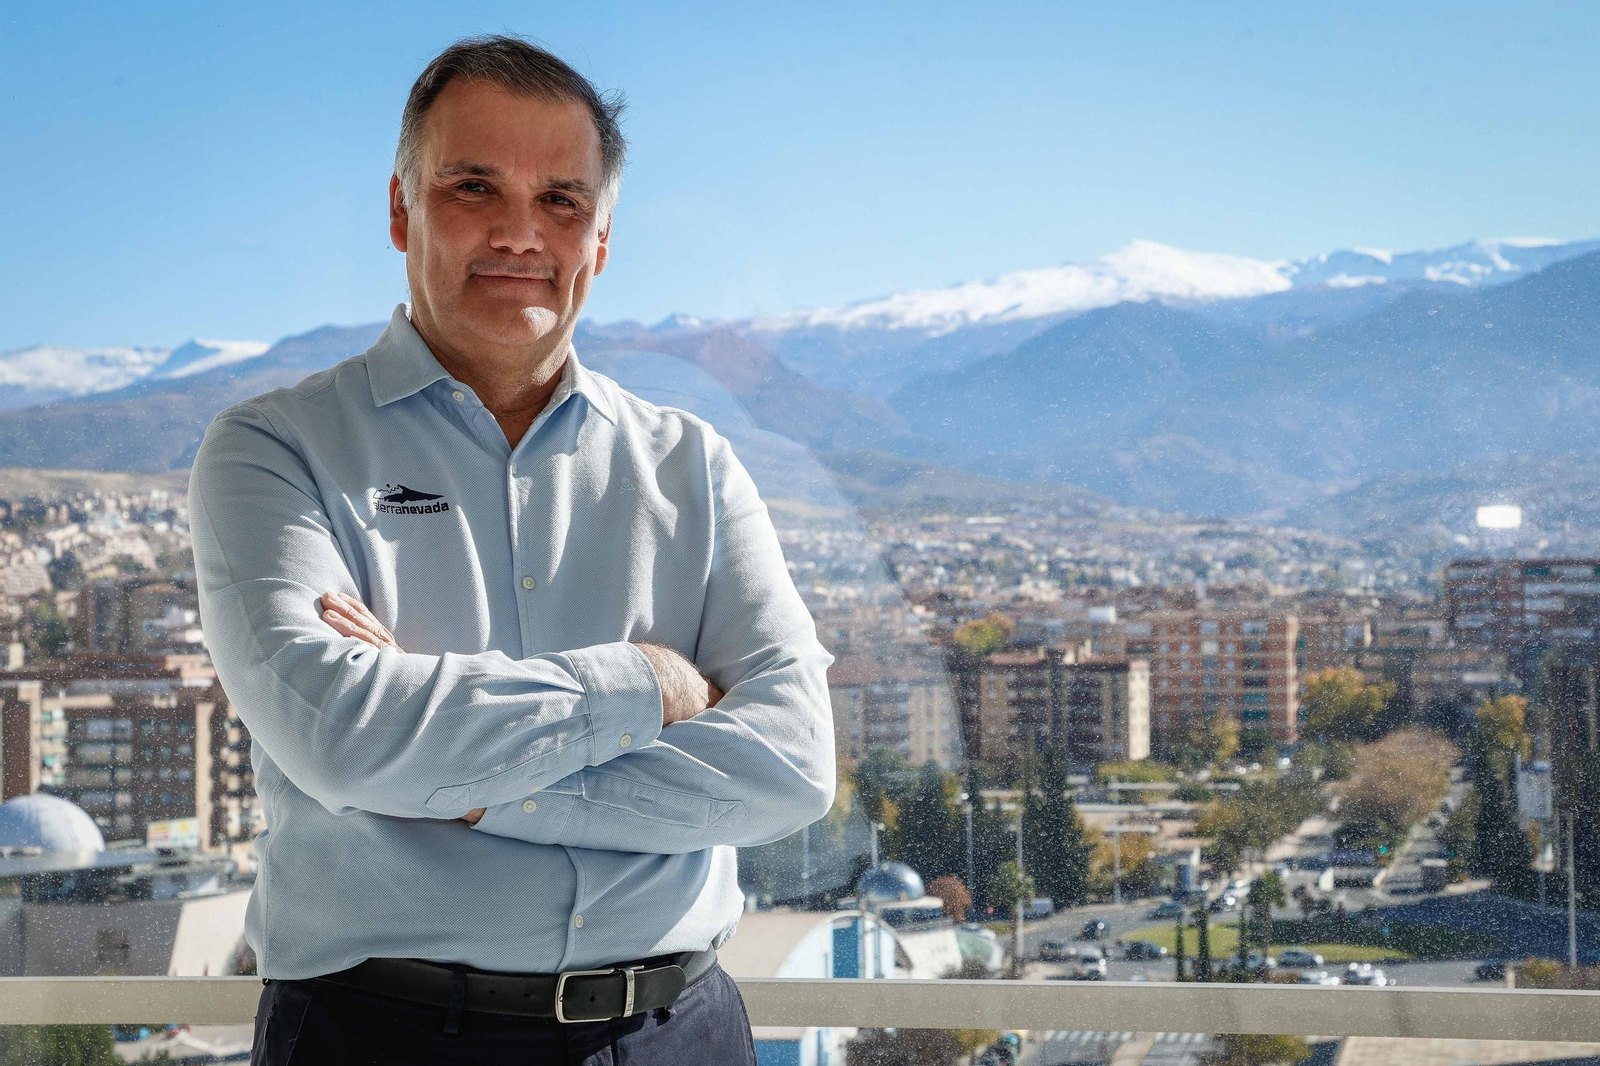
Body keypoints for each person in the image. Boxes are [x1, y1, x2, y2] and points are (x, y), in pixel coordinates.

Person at [187, 33, 836, 1065]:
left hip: (680, 1031)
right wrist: (649, 683)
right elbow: (344, 737)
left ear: (601, 240)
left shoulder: (692, 466)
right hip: (380, 1038)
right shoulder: (274, 450)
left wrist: (469, 781)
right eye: (473, 187)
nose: (520, 233)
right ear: (401, 209)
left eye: (561, 201)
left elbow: (792, 765)